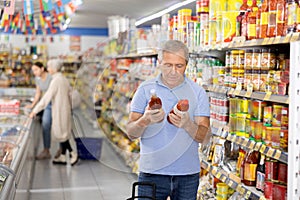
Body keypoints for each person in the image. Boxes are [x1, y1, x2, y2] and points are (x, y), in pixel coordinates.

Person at [126, 40, 211, 200]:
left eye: (179, 66)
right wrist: (145, 120)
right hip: (152, 173)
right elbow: (130, 133)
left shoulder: (198, 92)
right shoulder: (144, 89)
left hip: (187, 175)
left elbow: (205, 138)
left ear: (186, 64)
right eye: (167, 65)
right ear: (159, 63)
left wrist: (187, 125)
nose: (173, 71)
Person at [29, 59, 78, 166]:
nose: (48, 69)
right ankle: (63, 156)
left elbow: (46, 97)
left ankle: (72, 153)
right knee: (63, 133)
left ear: (54, 69)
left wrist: (35, 110)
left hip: (59, 109)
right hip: (64, 108)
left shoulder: (56, 81)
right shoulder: (63, 78)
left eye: (49, 67)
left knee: (61, 133)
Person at [25, 61, 52, 160]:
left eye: (36, 69)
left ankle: (63, 150)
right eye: (33, 70)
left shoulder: (51, 77)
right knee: (45, 124)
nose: (34, 72)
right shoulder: (38, 79)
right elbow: (38, 93)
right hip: (46, 104)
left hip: (55, 103)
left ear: (42, 68)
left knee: (59, 127)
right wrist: (32, 105)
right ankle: (46, 150)